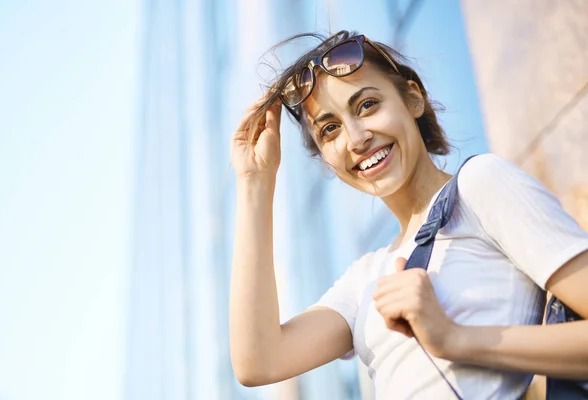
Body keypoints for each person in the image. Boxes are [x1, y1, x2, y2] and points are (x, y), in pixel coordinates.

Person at [229, 30, 588, 399]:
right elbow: (259, 362)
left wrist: (455, 339)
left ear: (413, 98)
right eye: (330, 129)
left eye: (367, 105)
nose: (356, 139)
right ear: (325, 160)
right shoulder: (364, 278)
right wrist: (255, 181)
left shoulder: (480, 186)